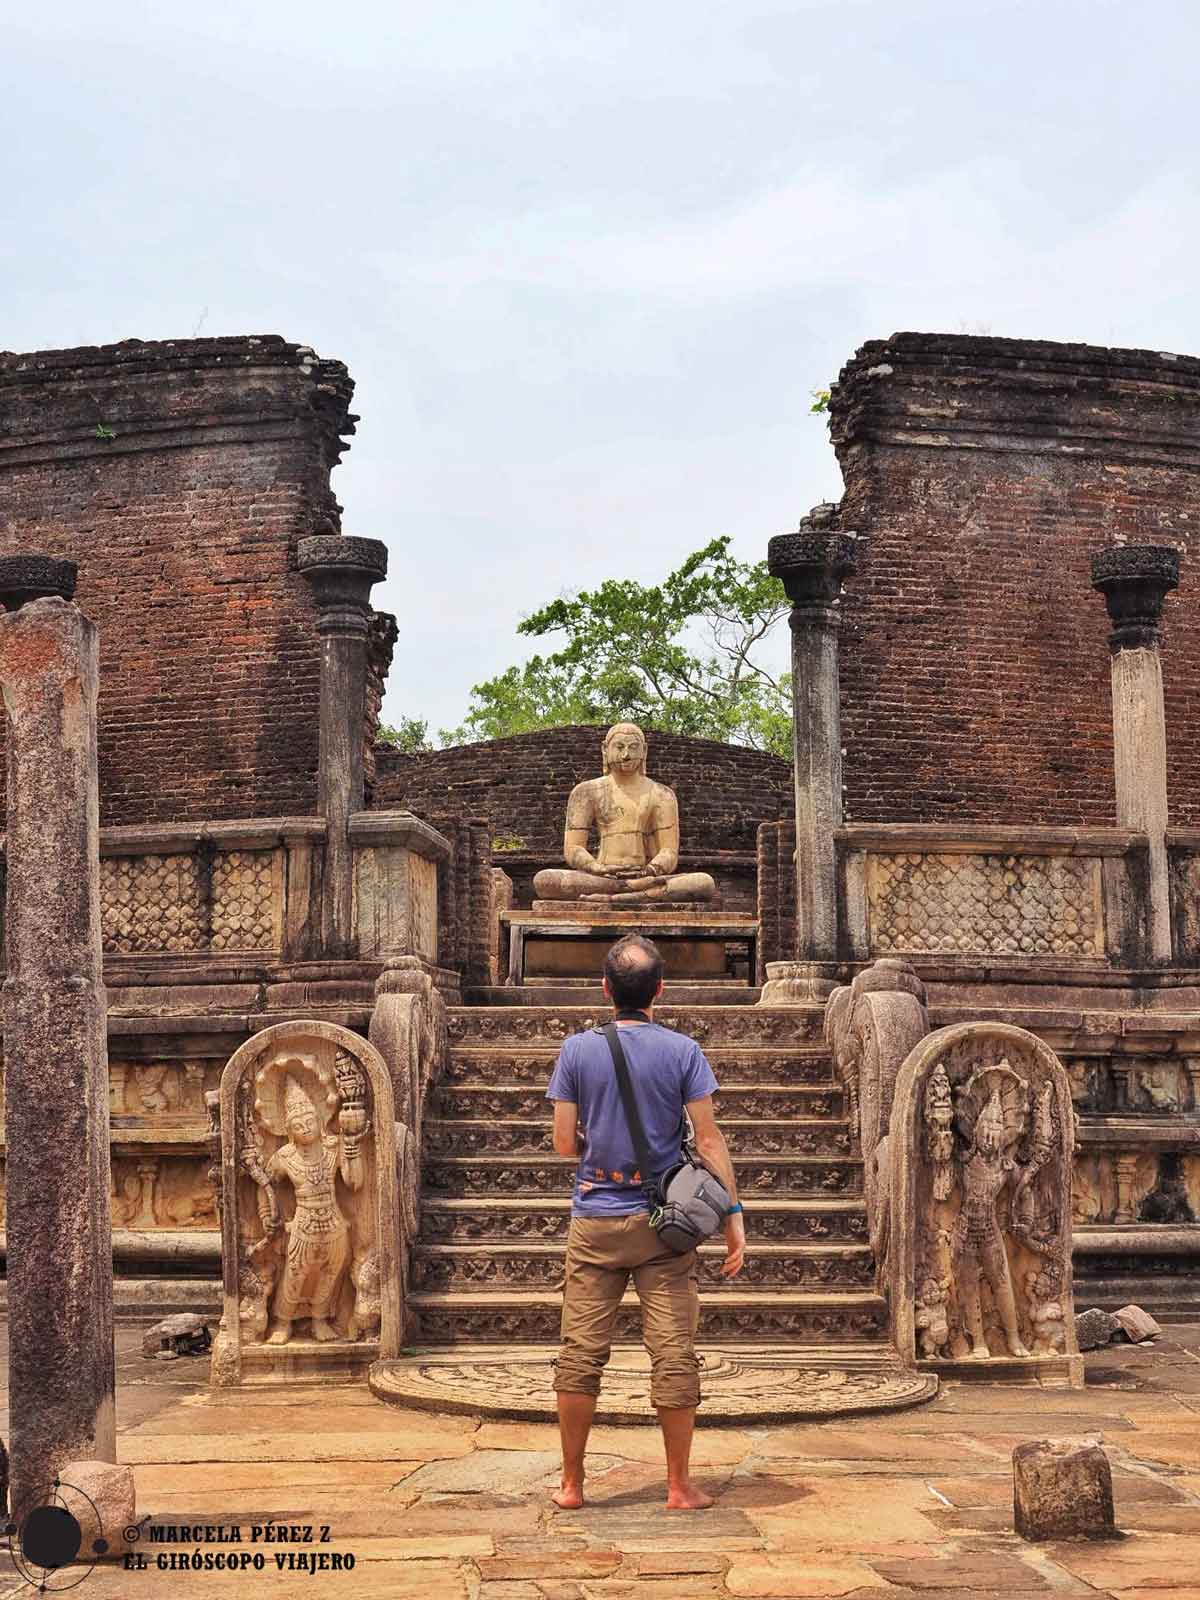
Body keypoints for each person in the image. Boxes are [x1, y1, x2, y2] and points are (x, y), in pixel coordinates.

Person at [545, 933, 745, 1510]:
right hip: (666, 1224)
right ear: (659, 989)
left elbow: (564, 1143)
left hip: (596, 1220)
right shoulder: (683, 1052)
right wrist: (733, 1215)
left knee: (580, 1353)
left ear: (606, 990)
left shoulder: (577, 1051)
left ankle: (572, 1485)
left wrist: (592, 1138)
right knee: (673, 1351)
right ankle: (679, 1486)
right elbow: (707, 1139)